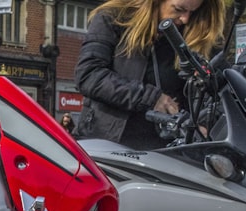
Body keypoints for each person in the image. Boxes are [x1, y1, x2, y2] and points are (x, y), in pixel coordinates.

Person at [74, 0, 224, 150]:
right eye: (179, 9)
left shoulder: (203, 35)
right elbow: (88, 74)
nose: (185, 19)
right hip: (105, 144)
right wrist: (151, 98)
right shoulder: (113, 17)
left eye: (194, 12)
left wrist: (204, 122)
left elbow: (221, 91)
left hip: (167, 152)